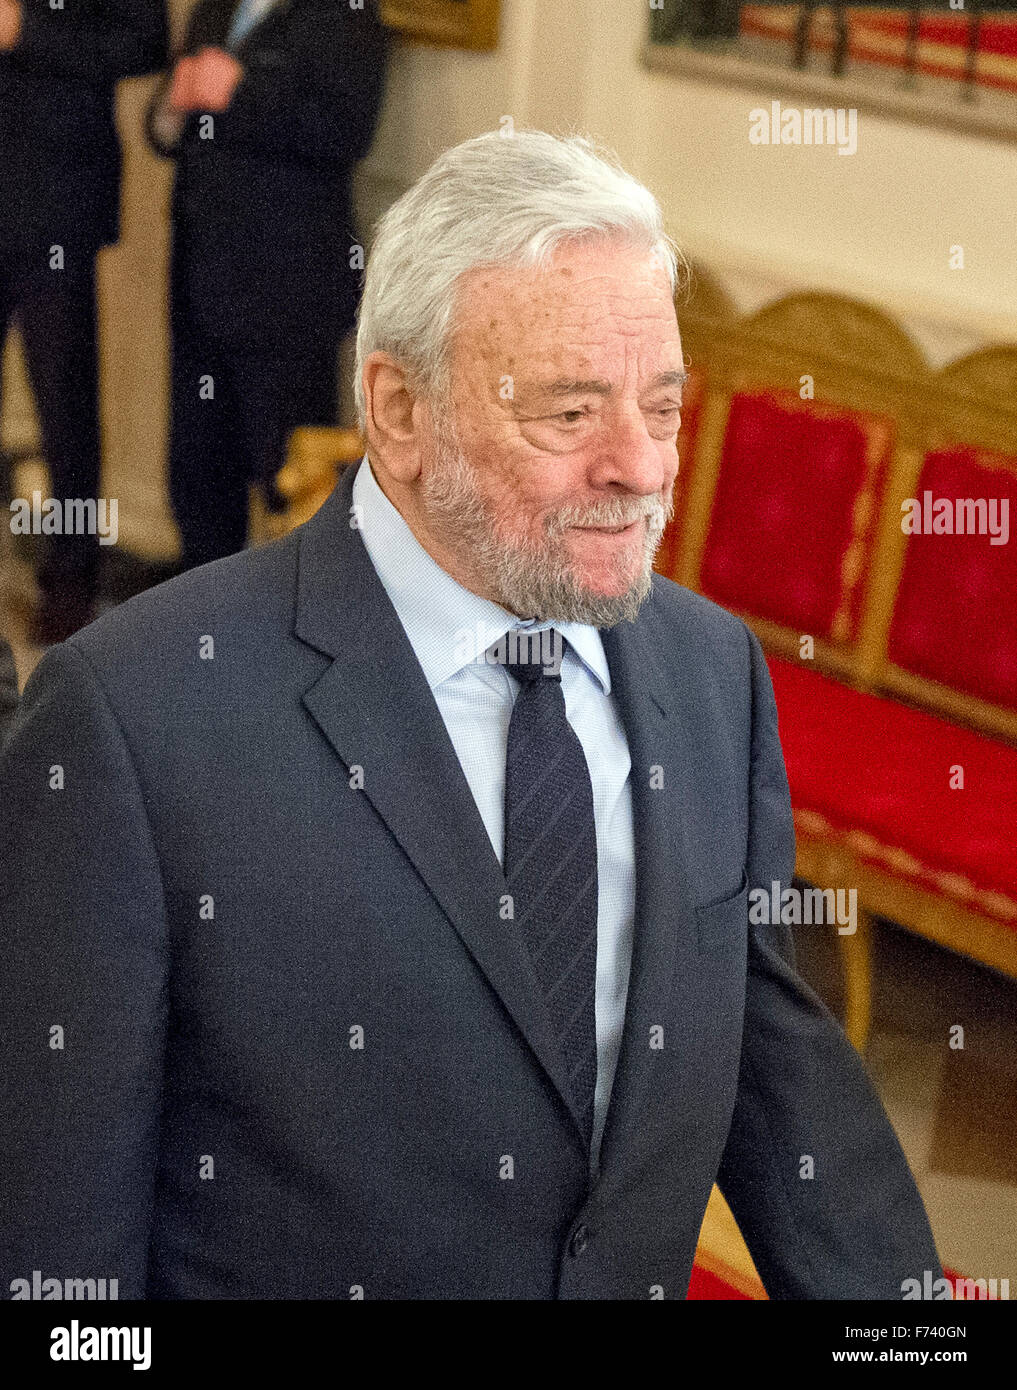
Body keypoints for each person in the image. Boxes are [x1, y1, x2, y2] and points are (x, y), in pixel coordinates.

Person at [0, 131, 942, 1299]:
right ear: (399, 409)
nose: (642, 468)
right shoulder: (132, 722)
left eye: (664, 406)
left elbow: (768, 1065)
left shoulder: (712, 673)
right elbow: (57, 1256)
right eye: (570, 414)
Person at [147, 0, 388, 571]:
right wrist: (172, 106)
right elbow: (164, 126)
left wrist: (238, 92)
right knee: (198, 464)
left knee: (290, 476)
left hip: (287, 292)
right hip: (199, 277)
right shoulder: (215, 8)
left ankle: (290, 644)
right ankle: (204, 625)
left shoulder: (347, 16)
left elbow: (347, 132)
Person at [0, 0, 168, 643]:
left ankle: (70, 582)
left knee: (64, 405)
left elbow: (141, 39)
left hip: (56, 198)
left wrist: (27, 31)